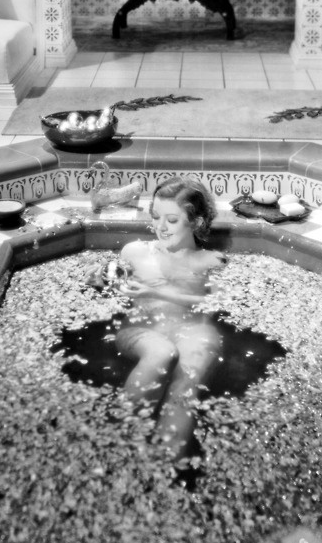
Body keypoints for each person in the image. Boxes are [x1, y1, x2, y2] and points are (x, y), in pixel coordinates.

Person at [86, 176, 227, 467]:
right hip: (142, 330)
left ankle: (165, 464)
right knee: (161, 352)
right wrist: (99, 279)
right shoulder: (135, 252)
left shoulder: (211, 261)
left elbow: (216, 304)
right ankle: (117, 448)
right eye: (155, 217)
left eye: (172, 220)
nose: (160, 227)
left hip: (192, 329)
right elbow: (107, 279)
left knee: (189, 373)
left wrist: (156, 291)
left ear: (196, 222)